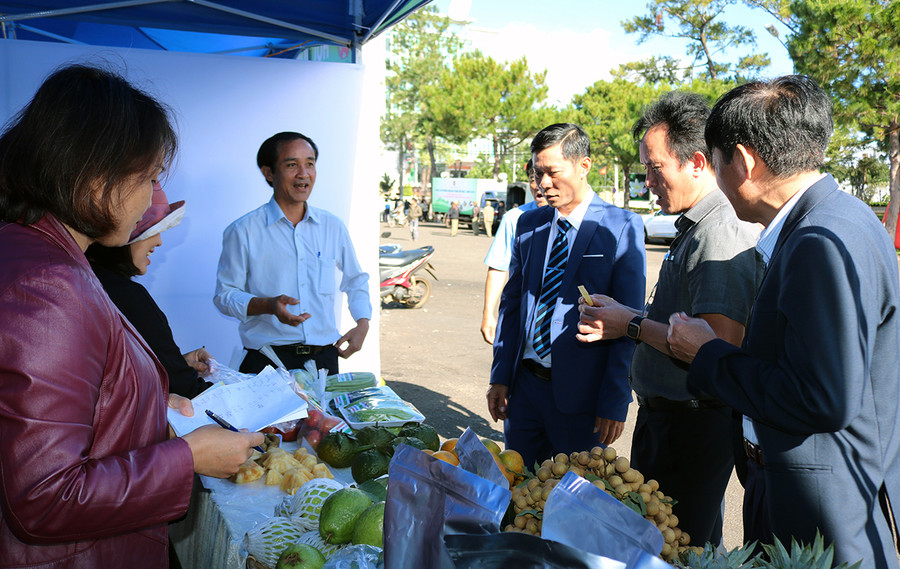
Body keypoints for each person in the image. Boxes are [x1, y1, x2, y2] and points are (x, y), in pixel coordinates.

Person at [0, 63, 261, 569]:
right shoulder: (47, 285)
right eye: (149, 178)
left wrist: (136, 406)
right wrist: (187, 458)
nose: (148, 201)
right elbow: (44, 495)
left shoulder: (37, 253)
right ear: (95, 179)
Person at [667, 75, 900, 567]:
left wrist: (706, 352)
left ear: (745, 161)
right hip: (806, 489)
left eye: (718, 162)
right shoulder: (844, 219)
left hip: (819, 512)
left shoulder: (819, 241)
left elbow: (822, 397)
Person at [575, 92, 764, 547]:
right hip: (672, 422)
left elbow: (717, 342)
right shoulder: (698, 224)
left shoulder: (720, 231)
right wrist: (630, 317)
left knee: (680, 546)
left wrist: (630, 325)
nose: (647, 182)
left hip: (692, 428)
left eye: (655, 168)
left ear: (697, 162)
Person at [487, 123, 646, 469]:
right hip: (525, 392)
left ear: (583, 166)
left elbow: (629, 323)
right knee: (520, 492)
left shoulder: (620, 228)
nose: (543, 184)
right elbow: (512, 306)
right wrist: (500, 377)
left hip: (583, 402)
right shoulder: (530, 225)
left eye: (553, 173)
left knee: (573, 503)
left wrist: (614, 403)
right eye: (538, 172)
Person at [214, 132, 371, 375]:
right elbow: (224, 296)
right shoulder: (243, 230)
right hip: (267, 362)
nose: (303, 173)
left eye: (310, 163)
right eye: (291, 165)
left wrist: (363, 322)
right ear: (268, 173)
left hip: (324, 363)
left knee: (326, 415)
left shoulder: (332, 226)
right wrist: (267, 305)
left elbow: (356, 279)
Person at [86, 182, 214, 399]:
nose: (159, 241)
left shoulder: (86, 280)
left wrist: (173, 363)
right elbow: (185, 389)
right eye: (146, 227)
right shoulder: (127, 296)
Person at [481, 159, 548, 345]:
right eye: (533, 178)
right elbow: (498, 267)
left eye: (546, 175)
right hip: (521, 315)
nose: (539, 184)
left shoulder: (579, 220)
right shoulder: (514, 218)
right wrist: (488, 313)